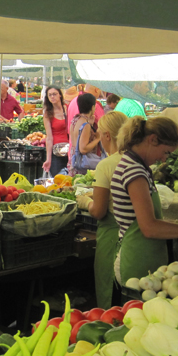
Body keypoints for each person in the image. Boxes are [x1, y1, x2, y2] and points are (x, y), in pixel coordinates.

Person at [112, 116, 178, 281]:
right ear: (152, 140)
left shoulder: (138, 167)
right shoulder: (134, 172)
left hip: (145, 259)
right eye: (166, 152)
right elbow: (149, 227)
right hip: (136, 262)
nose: (164, 159)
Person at [75, 111, 128, 308]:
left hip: (113, 237)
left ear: (107, 136)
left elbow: (98, 211)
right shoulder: (135, 160)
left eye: (99, 135)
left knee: (111, 298)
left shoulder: (106, 165)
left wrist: (85, 202)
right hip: (135, 239)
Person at [69, 93, 105, 175]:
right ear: (92, 107)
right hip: (82, 165)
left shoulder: (75, 119)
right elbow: (83, 149)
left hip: (74, 161)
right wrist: (97, 139)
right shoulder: (85, 125)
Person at [42, 86, 69, 176]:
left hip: (70, 150)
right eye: (50, 95)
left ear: (60, 95)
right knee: (57, 179)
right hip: (56, 152)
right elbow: (49, 138)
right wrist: (48, 159)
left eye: (54, 94)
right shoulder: (48, 114)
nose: (52, 97)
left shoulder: (68, 109)